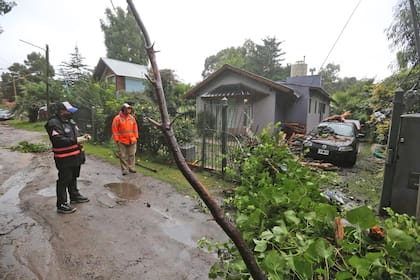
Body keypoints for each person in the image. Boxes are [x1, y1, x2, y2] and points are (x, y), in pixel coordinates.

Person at [45, 101, 91, 214]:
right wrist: (76, 140)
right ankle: (61, 204)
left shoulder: (70, 121)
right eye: (68, 111)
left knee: (73, 177)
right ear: (61, 111)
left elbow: (77, 133)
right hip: (64, 158)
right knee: (64, 180)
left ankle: (74, 196)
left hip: (75, 156)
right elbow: (58, 140)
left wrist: (83, 136)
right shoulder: (53, 123)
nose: (70, 113)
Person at [112, 103, 139, 175]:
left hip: (132, 140)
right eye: (127, 108)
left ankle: (131, 168)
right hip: (122, 140)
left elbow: (135, 128)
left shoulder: (132, 118)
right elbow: (115, 130)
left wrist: (136, 137)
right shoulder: (117, 118)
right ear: (123, 109)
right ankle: (124, 169)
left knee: (132, 155)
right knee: (122, 156)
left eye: (130, 108)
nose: (129, 110)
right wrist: (117, 139)